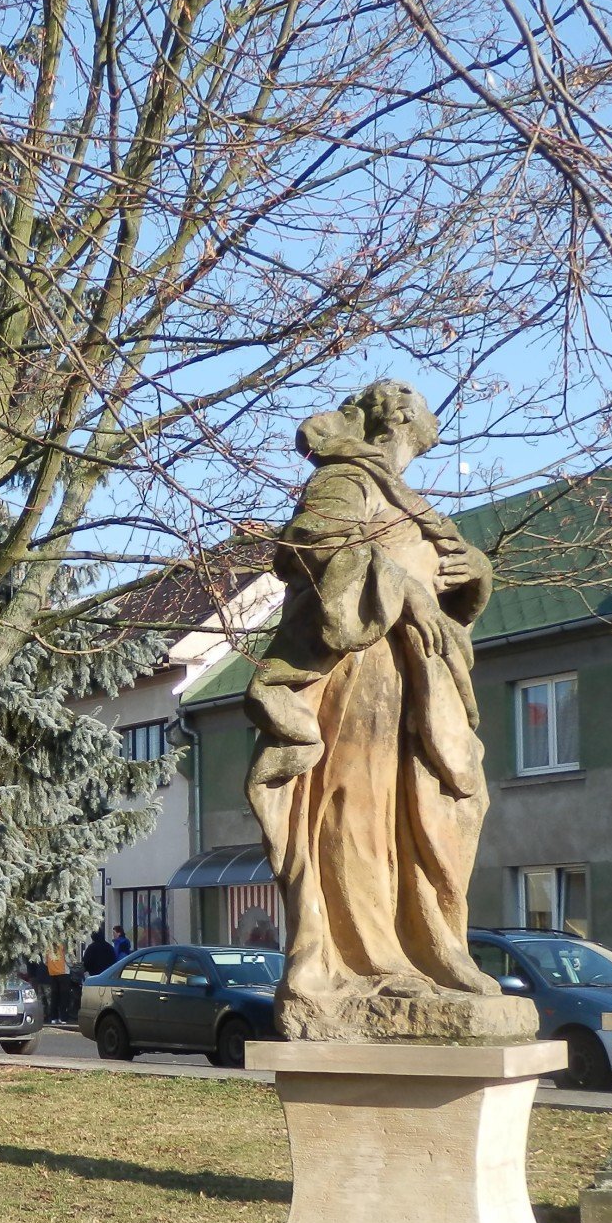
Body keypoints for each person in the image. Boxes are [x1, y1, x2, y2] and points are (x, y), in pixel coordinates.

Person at [244, 379, 500, 1006]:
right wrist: (407, 590)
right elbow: (310, 547)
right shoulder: (344, 478)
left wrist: (477, 570)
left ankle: (435, 948)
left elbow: (447, 589)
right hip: (359, 668)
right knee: (356, 811)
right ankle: (370, 960)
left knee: (423, 817)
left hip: (418, 677)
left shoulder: (406, 496)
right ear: (404, 416)